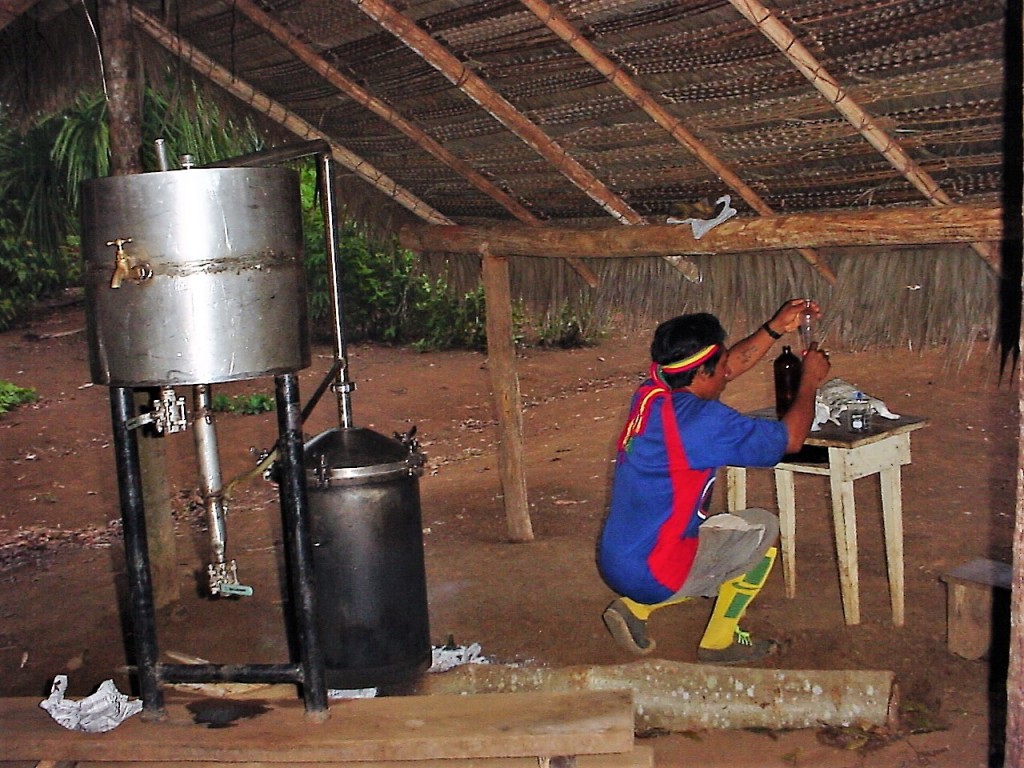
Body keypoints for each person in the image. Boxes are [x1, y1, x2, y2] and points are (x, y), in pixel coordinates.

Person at [597, 300, 830, 664]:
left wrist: (773, 329)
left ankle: (634, 609)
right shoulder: (703, 423)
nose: (728, 372)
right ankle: (719, 642)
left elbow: (727, 365)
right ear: (702, 374)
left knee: (706, 528)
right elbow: (792, 439)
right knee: (762, 528)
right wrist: (809, 380)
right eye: (721, 367)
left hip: (617, 556)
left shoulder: (653, 392)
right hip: (652, 571)